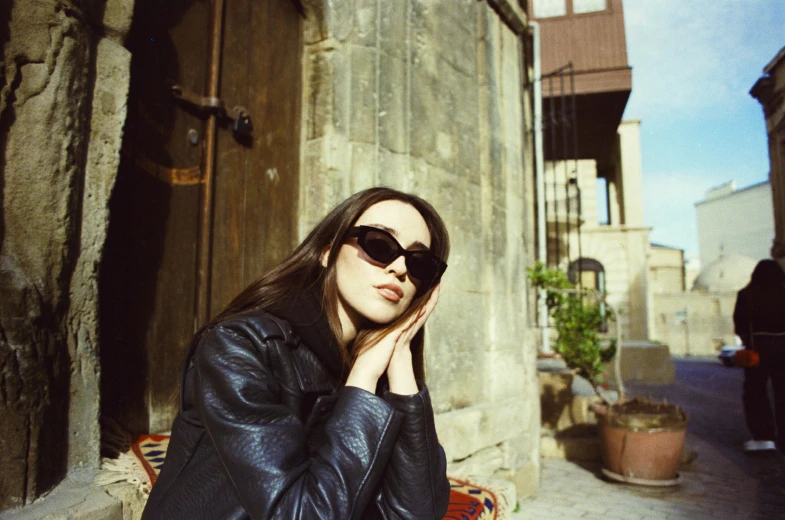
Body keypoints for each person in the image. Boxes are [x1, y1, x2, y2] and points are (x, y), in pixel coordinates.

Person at [141, 187, 452, 519]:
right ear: (327, 251)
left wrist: (401, 356)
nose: (400, 269)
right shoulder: (240, 346)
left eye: (418, 263)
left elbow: (420, 513)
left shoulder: (378, 360)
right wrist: (362, 378)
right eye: (380, 245)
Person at [733, 259, 785, 454]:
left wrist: (748, 338)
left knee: (756, 393)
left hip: (758, 349)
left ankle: (763, 437)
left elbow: (740, 324)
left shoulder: (747, 295)